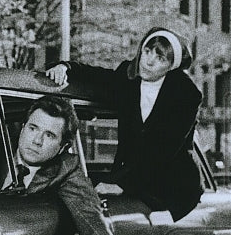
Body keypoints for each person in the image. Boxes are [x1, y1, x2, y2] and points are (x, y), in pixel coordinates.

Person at [5, 95, 142, 235]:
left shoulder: (67, 168)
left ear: (62, 147)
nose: (36, 140)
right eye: (33, 128)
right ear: (23, 127)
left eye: (49, 135)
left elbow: (88, 212)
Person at [45, 27, 203, 222]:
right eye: (147, 51)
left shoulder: (186, 94)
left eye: (160, 58)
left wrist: (124, 184)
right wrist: (65, 67)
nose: (149, 61)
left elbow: (164, 150)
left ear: (171, 67)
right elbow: (97, 76)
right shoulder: (129, 76)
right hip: (135, 179)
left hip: (173, 189)